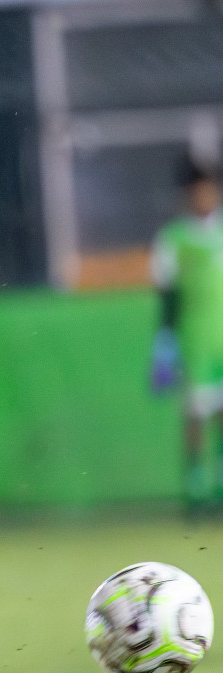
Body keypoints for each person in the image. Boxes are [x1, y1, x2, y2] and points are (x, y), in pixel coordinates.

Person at [152, 157, 223, 509]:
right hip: (195, 338)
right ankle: (196, 486)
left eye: (208, 190)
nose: (203, 197)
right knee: (196, 411)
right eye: (197, 192)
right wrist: (164, 342)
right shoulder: (174, 240)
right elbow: (167, 296)